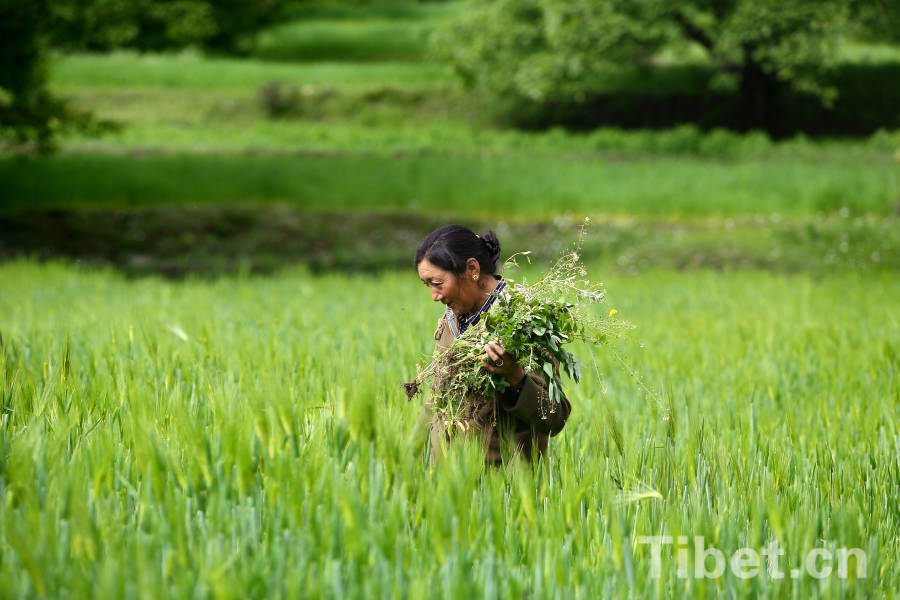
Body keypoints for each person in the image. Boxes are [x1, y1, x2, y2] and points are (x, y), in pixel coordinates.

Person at [411, 225, 571, 465]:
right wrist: (405, 459)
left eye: (437, 283)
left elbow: (554, 418)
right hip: (445, 484)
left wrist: (515, 377)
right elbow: (437, 400)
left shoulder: (524, 320)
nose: (434, 295)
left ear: (472, 269)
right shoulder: (451, 319)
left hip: (501, 486)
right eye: (428, 285)